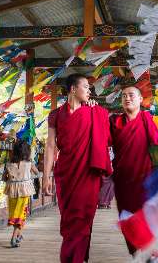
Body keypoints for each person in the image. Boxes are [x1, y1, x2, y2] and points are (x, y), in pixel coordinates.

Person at [42, 73, 111, 263]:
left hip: (88, 174)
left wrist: (97, 112)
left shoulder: (94, 112)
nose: (89, 91)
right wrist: (46, 177)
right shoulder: (55, 114)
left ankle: (73, 259)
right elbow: (50, 145)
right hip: (65, 173)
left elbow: (105, 137)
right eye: (86, 87)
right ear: (73, 89)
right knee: (70, 219)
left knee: (83, 218)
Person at [110, 86, 158, 255]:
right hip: (124, 182)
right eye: (123, 96)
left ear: (140, 100)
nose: (127, 98)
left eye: (131, 95)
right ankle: (135, 253)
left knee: (149, 220)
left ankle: (151, 253)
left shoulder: (152, 121)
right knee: (128, 219)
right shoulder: (114, 122)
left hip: (147, 181)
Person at [3, 140, 38, 248]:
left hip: (12, 191)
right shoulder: (29, 163)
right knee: (21, 214)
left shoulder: (8, 164)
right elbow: (37, 172)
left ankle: (19, 235)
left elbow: (4, 178)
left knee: (15, 214)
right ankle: (14, 237)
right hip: (24, 191)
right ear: (27, 152)